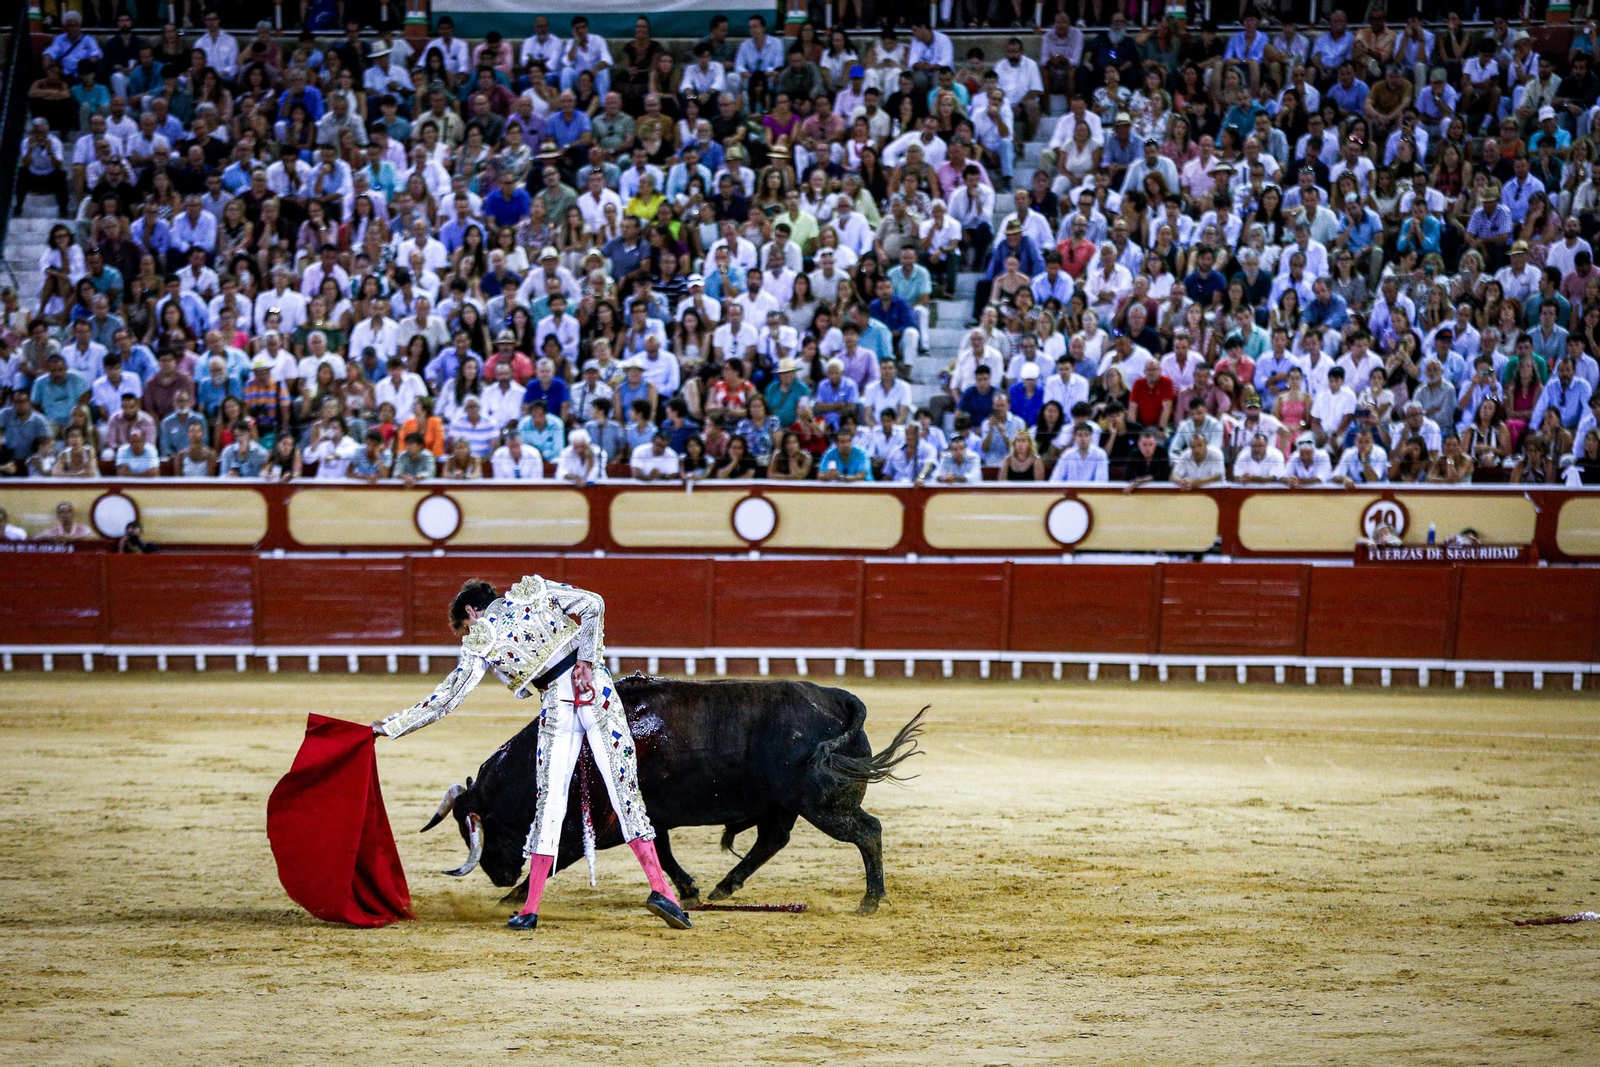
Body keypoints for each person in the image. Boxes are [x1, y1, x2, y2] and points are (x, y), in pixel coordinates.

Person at [374, 576, 691, 933]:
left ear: (470, 612)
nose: (468, 634)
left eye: (465, 628)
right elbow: (594, 603)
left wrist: (391, 726)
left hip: (557, 703)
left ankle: (530, 909)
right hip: (595, 689)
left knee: (550, 801)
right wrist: (586, 661)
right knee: (623, 789)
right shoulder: (534, 592)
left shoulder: (484, 636)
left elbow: (448, 698)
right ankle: (661, 890)